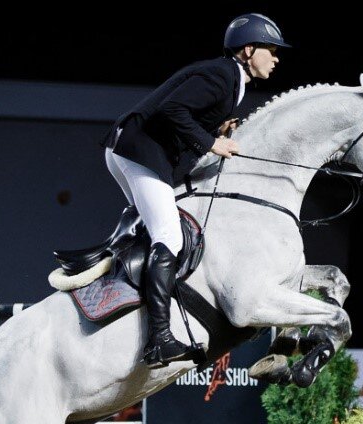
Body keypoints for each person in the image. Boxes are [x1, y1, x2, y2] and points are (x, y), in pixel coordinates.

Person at [101, 13, 289, 368]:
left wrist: (212, 128)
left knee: (161, 230)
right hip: (137, 151)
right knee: (169, 236)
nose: (276, 58)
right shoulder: (222, 74)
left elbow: (183, 111)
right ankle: (159, 339)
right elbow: (172, 109)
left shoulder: (232, 79)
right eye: (271, 50)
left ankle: (131, 306)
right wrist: (211, 143)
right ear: (249, 49)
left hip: (133, 149)